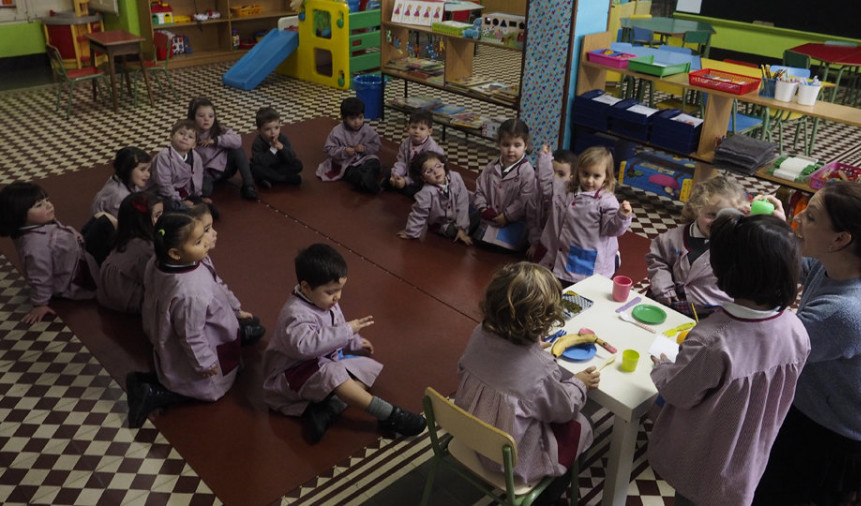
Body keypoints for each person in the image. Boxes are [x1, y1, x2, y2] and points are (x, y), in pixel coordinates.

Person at [753, 182, 861, 506]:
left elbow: (768, 350)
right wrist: (779, 228)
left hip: (840, 441)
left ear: (840, 239)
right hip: (822, 414)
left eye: (812, 217)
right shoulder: (847, 267)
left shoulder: (843, 313)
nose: (800, 216)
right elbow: (801, 265)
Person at [648, 212, 810, 506]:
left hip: (703, 465)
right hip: (749, 462)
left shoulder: (713, 338)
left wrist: (662, 367)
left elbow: (677, 391)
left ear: (725, 272)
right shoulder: (796, 329)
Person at [455, 262, 599, 500]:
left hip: (470, 434)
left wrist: (531, 350)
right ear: (543, 320)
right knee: (584, 424)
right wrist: (579, 383)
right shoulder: (541, 369)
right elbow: (564, 410)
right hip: (509, 460)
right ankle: (545, 498)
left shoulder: (479, 333)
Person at [262, 243, 425, 443]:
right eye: (331, 292)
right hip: (292, 375)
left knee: (368, 367)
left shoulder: (323, 301)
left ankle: (329, 408)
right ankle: (390, 415)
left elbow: (337, 325)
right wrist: (347, 331)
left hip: (323, 363)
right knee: (334, 374)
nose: (337, 297)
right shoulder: (295, 314)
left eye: (340, 290)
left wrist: (353, 341)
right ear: (305, 287)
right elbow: (306, 347)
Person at [125, 213, 242, 428]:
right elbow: (191, 333)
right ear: (175, 253)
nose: (206, 241)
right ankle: (155, 394)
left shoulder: (158, 261)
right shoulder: (190, 291)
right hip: (204, 339)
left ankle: (153, 382)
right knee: (208, 387)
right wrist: (204, 362)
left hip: (169, 330)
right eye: (198, 241)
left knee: (176, 367)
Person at [0, 182, 108, 324]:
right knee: (108, 228)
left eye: (47, 200)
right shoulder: (35, 246)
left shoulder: (36, 224)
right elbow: (39, 275)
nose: (49, 205)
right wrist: (40, 304)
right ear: (19, 215)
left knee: (102, 220)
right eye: (39, 205)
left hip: (77, 253)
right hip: (79, 274)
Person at [645, 175, 748, 317]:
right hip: (668, 302)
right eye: (711, 215)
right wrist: (663, 286)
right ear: (697, 209)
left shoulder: (738, 245)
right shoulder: (672, 238)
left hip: (712, 314)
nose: (717, 222)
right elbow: (658, 260)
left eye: (725, 216)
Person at [533, 146, 632, 283]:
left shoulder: (606, 201)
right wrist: (545, 159)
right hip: (554, 253)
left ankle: (614, 258)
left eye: (596, 176)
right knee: (546, 288)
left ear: (606, 177)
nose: (589, 180)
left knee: (574, 296)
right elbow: (545, 185)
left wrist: (622, 216)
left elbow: (612, 230)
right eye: (585, 174)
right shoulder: (563, 188)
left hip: (581, 261)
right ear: (578, 171)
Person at [187, 203, 265, 345]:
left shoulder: (203, 259)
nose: (215, 233)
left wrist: (237, 310)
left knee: (253, 321)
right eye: (207, 230)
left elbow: (219, 285)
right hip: (208, 327)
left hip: (214, 313)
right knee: (253, 329)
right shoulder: (193, 279)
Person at [471, 119, 536, 252]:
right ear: (499, 144)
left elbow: (525, 200)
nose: (511, 150)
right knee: (479, 249)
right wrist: (483, 208)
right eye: (506, 144)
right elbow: (479, 189)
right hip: (488, 221)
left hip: (512, 225)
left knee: (503, 254)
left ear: (526, 146)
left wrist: (507, 216)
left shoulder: (528, 172)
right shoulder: (491, 167)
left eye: (517, 145)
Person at [97, 192, 163, 314]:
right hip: (126, 298)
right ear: (142, 221)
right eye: (157, 215)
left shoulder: (125, 236)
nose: (162, 219)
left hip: (106, 295)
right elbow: (154, 280)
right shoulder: (146, 248)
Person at [188, 97, 258, 201]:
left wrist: (216, 140)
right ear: (193, 117)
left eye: (211, 116)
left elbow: (237, 141)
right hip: (208, 174)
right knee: (205, 190)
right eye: (201, 116)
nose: (207, 119)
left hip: (226, 169)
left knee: (237, 150)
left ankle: (248, 185)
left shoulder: (220, 129)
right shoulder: (190, 134)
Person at [396, 151, 471, 245]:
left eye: (438, 166)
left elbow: (463, 201)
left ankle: (464, 228)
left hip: (457, 215)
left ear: (443, 165)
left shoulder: (455, 177)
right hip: (442, 223)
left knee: (475, 214)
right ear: (423, 178)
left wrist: (462, 227)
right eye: (429, 171)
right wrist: (411, 232)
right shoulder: (426, 193)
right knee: (452, 231)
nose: (436, 172)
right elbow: (419, 214)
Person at [315, 97, 382, 194]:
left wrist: (365, 148)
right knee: (350, 172)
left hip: (363, 158)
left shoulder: (367, 130)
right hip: (345, 163)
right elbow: (328, 149)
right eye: (352, 118)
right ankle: (364, 179)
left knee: (375, 162)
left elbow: (377, 145)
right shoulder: (337, 131)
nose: (357, 122)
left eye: (360, 117)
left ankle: (365, 178)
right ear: (344, 118)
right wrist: (344, 151)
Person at [145, 119, 205, 212]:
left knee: (209, 208)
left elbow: (197, 178)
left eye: (190, 137)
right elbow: (164, 185)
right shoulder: (164, 156)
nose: (185, 138)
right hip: (163, 194)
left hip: (184, 193)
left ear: (194, 144)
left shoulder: (195, 157)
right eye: (181, 133)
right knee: (177, 207)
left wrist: (197, 195)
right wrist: (180, 201)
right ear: (171, 136)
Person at [384, 110, 444, 198]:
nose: (417, 131)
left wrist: (406, 181)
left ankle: (399, 186)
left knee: (417, 191)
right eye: (414, 127)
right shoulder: (406, 143)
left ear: (429, 131)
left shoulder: (430, 148)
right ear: (408, 128)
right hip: (410, 172)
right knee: (388, 172)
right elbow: (402, 161)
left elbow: (424, 173)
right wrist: (396, 174)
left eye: (422, 129)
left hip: (425, 177)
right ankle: (396, 183)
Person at [88, 146, 152, 219]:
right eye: (142, 170)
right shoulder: (118, 195)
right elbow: (124, 224)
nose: (148, 174)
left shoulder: (123, 180)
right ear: (128, 169)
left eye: (148, 170)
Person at [249, 106, 303, 189]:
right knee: (256, 170)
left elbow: (291, 157)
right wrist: (273, 149)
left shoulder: (283, 138)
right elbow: (262, 163)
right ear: (259, 130)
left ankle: (270, 179)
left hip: (280, 167)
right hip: (267, 168)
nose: (273, 132)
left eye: (276, 128)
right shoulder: (258, 143)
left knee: (298, 164)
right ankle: (284, 179)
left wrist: (282, 148)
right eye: (267, 129)